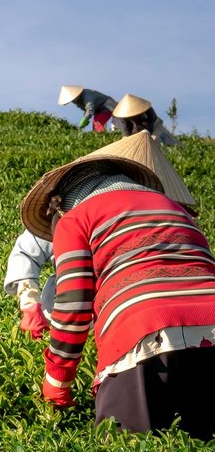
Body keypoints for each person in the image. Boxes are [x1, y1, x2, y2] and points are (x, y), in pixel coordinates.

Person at [22, 132, 215, 434]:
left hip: (144, 334)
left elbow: (73, 304)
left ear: (61, 205)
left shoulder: (75, 218)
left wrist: (56, 382)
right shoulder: (178, 211)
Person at [112, 94, 178, 146]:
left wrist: (147, 132)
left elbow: (150, 123)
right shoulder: (123, 115)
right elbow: (126, 128)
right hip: (138, 127)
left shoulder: (148, 110)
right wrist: (126, 137)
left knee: (155, 141)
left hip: (155, 126)